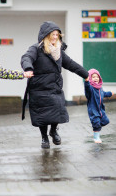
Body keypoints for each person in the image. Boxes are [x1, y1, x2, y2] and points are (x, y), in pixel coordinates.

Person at [21, 21, 89, 149]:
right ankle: (44, 137)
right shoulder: (36, 48)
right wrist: (28, 68)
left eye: (57, 35)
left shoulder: (58, 51)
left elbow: (71, 64)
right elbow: (26, 58)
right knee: (42, 114)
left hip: (54, 87)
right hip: (38, 88)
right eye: (52, 34)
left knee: (57, 109)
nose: (55, 37)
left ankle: (53, 131)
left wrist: (86, 75)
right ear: (46, 35)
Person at [84, 69, 114, 143]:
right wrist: (87, 82)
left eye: (97, 77)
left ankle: (97, 126)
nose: (96, 78)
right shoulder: (91, 89)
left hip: (100, 109)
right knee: (96, 123)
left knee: (106, 121)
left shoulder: (100, 88)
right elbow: (87, 89)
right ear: (90, 78)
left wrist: (110, 93)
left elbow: (103, 93)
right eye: (93, 77)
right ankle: (96, 138)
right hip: (93, 109)